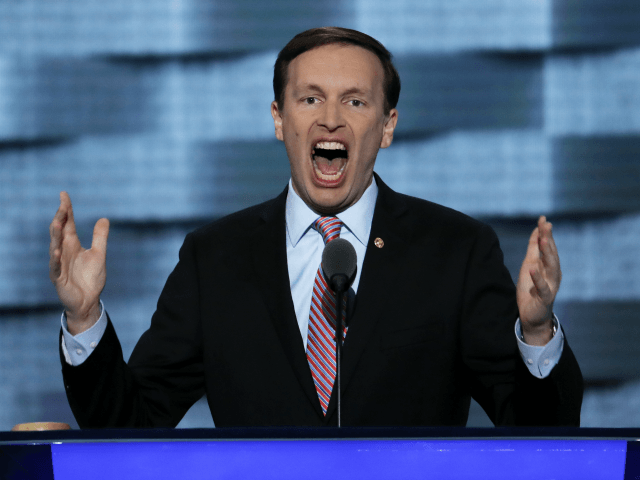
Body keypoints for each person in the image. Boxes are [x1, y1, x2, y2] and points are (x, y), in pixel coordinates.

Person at [49, 27, 582, 428]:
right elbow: (130, 425)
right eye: (310, 98)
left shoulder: (456, 250)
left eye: (355, 100)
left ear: (388, 126)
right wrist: (85, 317)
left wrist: (536, 333)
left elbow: (539, 434)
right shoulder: (215, 257)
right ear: (280, 120)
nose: (330, 118)